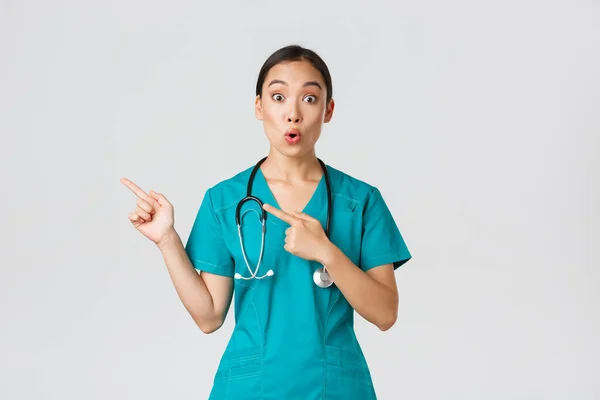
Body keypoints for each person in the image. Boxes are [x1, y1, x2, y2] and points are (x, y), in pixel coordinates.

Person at [121, 44, 412, 400]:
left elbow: (385, 314)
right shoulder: (225, 201)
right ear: (259, 107)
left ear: (328, 110)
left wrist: (326, 251)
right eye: (278, 97)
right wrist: (166, 240)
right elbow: (209, 316)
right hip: (248, 388)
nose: (293, 114)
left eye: (309, 99)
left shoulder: (361, 202)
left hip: (333, 389)